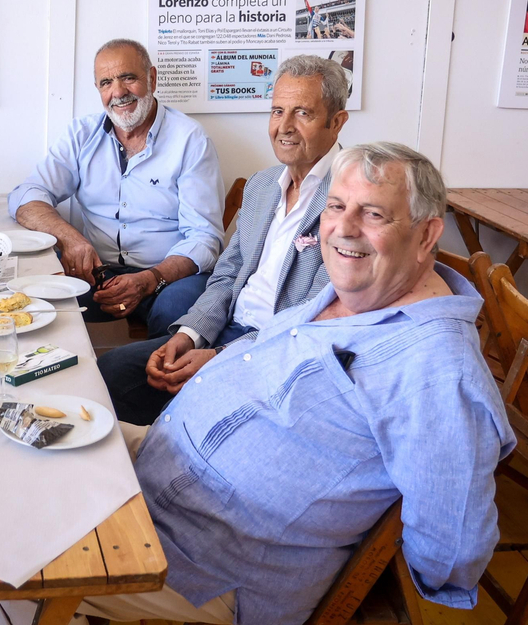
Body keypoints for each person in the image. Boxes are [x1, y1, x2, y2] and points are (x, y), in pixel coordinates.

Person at [0, 143, 514, 625]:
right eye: (336, 206)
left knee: (10, 559)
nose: (343, 228)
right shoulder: (353, 293)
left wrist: (369, 567)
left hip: (212, 553)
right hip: (168, 469)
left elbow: (452, 542)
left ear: (427, 235)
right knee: (20, 453)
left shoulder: (437, 372)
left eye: (373, 214)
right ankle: (76, 624)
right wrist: (219, 356)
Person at [97, 55, 349, 424]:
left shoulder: (352, 197)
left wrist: (220, 357)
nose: (284, 127)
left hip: (279, 353)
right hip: (225, 331)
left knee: (184, 409)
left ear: (337, 122)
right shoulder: (263, 184)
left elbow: (315, 317)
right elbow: (227, 275)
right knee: (111, 372)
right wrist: (189, 335)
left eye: (303, 113)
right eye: (277, 111)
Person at [10, 39, 223, 337]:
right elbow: (26, 196)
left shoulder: (190, 140)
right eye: (106, 83)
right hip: (98, 272)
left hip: (167, 277)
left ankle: (149, 368)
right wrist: (71, 239)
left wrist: (150, 279)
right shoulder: (81, 134)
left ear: (152, 78)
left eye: (128, 78)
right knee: (30, 292)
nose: (118, 92)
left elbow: (204, 238)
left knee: (178, 312)